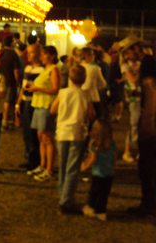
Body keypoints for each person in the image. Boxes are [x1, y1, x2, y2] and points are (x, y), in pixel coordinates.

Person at [124, 37, 156, 217]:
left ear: (136, 48)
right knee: (153, 164)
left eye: (127, 52)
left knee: (146, 165)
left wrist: (150, 119)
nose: (126, 57)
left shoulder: (147, 64)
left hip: (153, 117)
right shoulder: (154, 62)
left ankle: (148, 205)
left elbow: (155, 90)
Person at [51, 64, 95, 214]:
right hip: (77, 133)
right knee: (72, 169)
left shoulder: (63, 92)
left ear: (70, 78)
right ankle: (66, 201)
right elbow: (91, 115)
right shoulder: (85, 95)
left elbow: (53, 109)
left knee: (63, 166)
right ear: (84, 79)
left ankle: (63, 195)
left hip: (62, 132)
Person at [28, 45, 61, 182]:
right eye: (41, 54)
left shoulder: (54, 69)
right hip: (38, 105)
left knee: (47, 138)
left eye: (45, 54)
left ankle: (50, 169)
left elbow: (55, 89)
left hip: (47, 106)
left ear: (52, 56)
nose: (42, 56)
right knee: (41, 137)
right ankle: (42, 165)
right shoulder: (45, 69)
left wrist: (37, 88)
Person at [81, 118, 118, 221]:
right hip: (109, 174)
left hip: (98, 173)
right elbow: (115, 158)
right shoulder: (112, 144)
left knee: (94, 192)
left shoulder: (94, 144)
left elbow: (92, 158)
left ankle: (91, 208)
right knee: (104, 193)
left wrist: (85, 166)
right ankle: (101, 212)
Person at [15, 46, 44, 171]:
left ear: (38, 54)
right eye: (28, 53)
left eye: (31, 53)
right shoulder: (28, 68)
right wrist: (18, 103)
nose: (28, 55)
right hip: (26, 102)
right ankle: (29, 157)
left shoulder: (42, 69)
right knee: (26, 131)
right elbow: (23, 87)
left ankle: (35, 159)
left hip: (35, 102)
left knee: (34, 132)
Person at [121, 48, 141, 163]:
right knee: (134, 123)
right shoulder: (125, 66)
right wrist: (140, 71)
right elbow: (133, 80)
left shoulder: (138, 64)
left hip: (141, 95)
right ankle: (129, 150)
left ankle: (134, 150)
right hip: (133, 96)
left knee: (138, 124)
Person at [0, 35, 21, 129]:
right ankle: (5, 121)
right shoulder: (13, 53)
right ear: (11, 43)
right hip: (9, 80)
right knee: (7, 101)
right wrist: (18, 81)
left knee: (0, 100)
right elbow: (16, 70)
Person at [80, 47, 107, 121]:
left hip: (80, 97)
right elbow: (103, 84)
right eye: (92, 54)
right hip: (93, 97)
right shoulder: (94, 68)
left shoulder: (76, 68)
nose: (94, 56)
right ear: (87, 56)